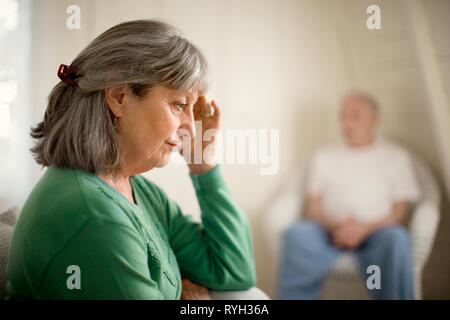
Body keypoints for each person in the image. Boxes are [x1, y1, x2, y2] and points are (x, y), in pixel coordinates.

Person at [6, 20, 257, 299]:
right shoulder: (96, 217)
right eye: (179, 105)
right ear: (119, 97)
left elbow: (232, 270)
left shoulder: (134, 189)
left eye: (193, 108)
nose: (191, 127)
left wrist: (203, 164)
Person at [278, 92, 421, 300]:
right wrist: (338, 227)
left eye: (355, 116)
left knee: (397, 238)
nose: (346, 123)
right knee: (296, 234)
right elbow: (314, 208)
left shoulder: (396, 157)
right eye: (343, 116)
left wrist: (364, 229)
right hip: (329, 232)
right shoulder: (323, 155)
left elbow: (400, 213)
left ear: (374, 120)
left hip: (378, 233)